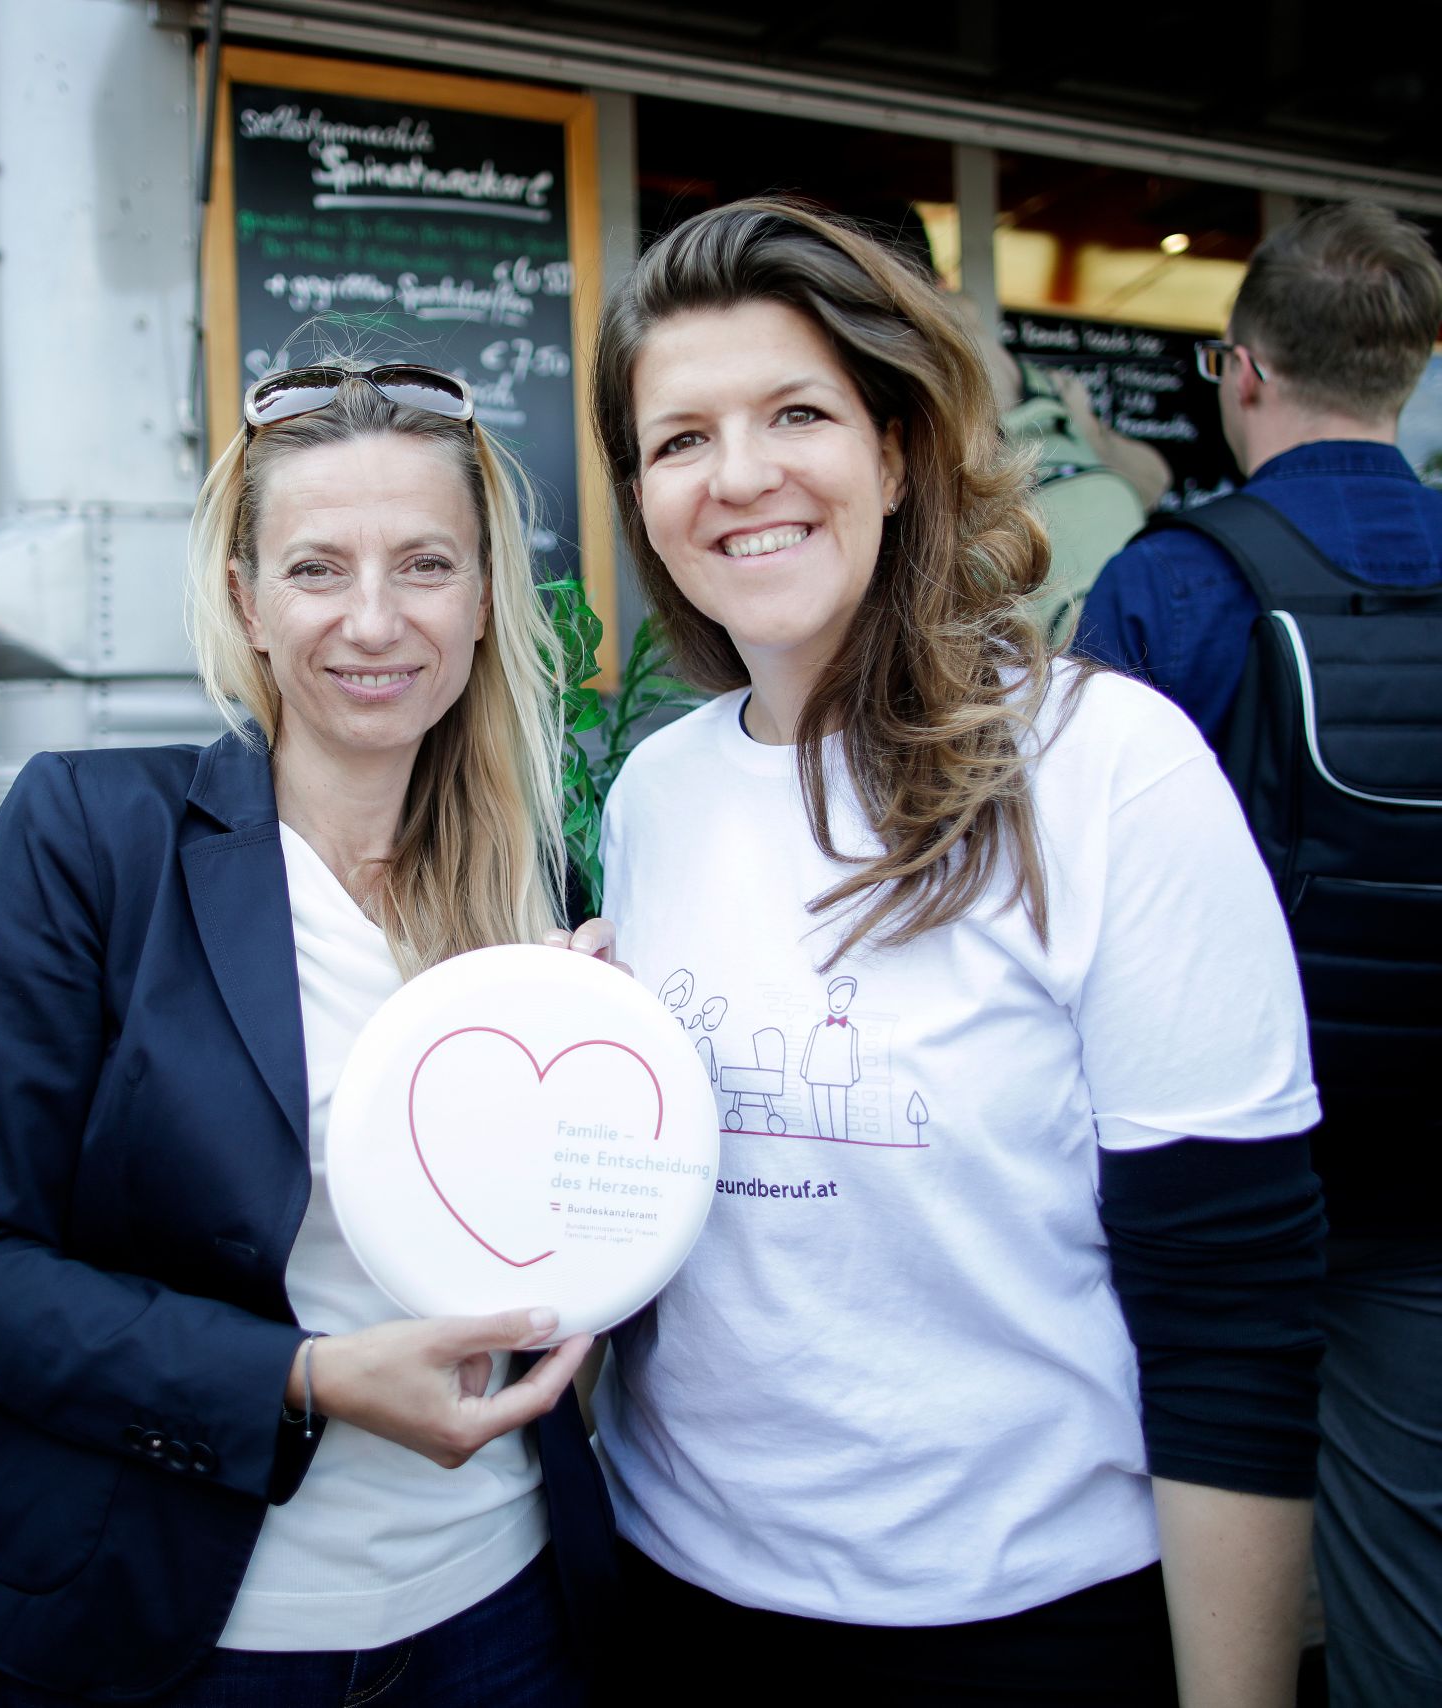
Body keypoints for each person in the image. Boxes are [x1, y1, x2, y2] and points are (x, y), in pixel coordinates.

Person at [587, 199, 1326, 1707]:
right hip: (678, 1605)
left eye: (797, 413)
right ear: (641, 494)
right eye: (679, 440)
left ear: (897, 450)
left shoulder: (1107, 768)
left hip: (1026, 1626)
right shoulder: (655, 792)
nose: (739, 475)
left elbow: (1232, 1316)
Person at [0, 362, 616, 1707]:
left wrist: (614, 1075)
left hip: (504, 1612)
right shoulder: (93, 839)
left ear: (482, 599)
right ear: (247, 603)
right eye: (316, 569)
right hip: (186, 1640)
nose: (374, 619)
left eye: (426, 564)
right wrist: (302, 1376)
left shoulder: (539, 898)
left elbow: (580, 1242)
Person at [1079, 201, 1442, 1708]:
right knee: (1401, 1568)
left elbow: (1068, 879)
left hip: (1207, 1169)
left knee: (1170, 1533)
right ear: (1410, 370)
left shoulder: (1170, 581)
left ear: (1242, 368)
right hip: (1422, 1163)